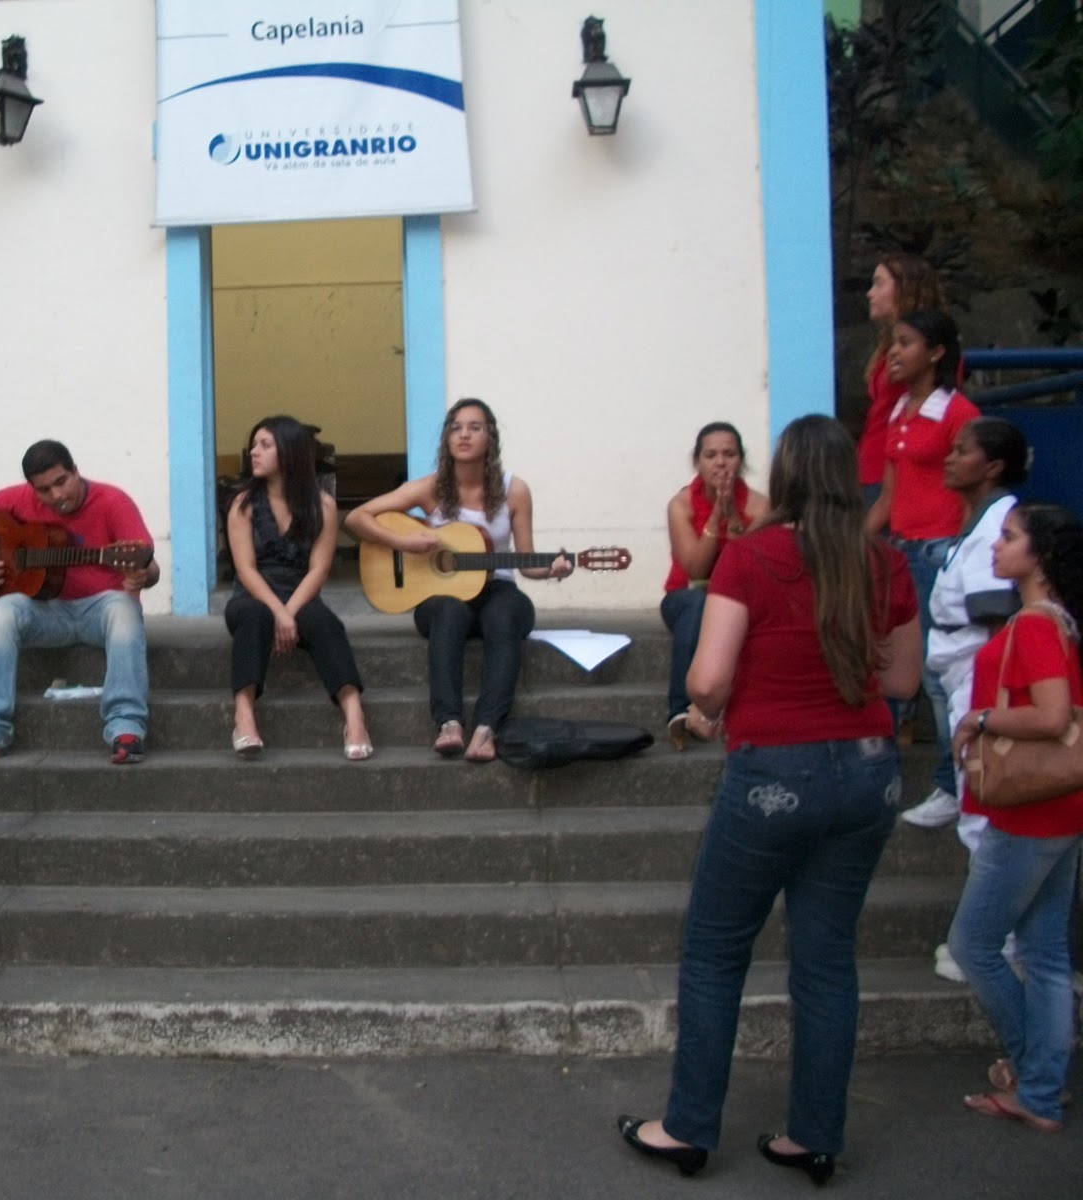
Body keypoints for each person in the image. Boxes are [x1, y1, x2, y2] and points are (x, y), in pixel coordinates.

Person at [617, 415, 921, 1182]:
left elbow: (706, 682)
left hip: (776, 774)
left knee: (716, 952)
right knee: (827, 961)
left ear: (782, 476)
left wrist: (711, 710)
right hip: (869, 771)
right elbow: (902, 680)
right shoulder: (884, 562)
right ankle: (815, 1137)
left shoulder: (751, 555)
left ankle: (688, 1127)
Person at [948, 503, 1083, 1134]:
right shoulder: (1060, 621)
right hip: (1062, 803)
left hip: (1027, 811)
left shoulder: (1033, 625)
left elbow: (1052, 715)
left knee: (972, 944)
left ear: (1041, 556)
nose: (995, 547)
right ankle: (1042, 1086)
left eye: (1009, 538)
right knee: (1046, 951)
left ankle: (1036, 1078)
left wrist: (978, 720)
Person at [346, 398, 569, 764]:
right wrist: (404, 542)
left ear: (490, 438)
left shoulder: (514, 491)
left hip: (497, 588)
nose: (464, 435)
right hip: (440, 596)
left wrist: (551, 569)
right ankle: (448, 723)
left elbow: (527, 561)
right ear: (447, 438)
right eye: (456, 428)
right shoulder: (430, 487)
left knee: (506, 616)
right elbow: (357, 518)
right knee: (450, 613)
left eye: (474, 428)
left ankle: (486, 728)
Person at [0, 440, 158, 765]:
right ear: (31, 488)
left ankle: (126, 727)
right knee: (0, 611)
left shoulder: (113, 501)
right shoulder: (20, 499)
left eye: (62, 482)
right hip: (46, 612)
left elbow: (150, 565)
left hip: (100, 610)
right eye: (44, 490)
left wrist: (143, 576)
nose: (56, 495)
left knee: (124, 609)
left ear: (75, 471)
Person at [866, 309, 980, 822]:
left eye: (906, 342)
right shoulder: (898, 412)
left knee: (940, 672)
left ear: (935, 353)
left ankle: (952, 788)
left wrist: (961, 551)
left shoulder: (959, 412)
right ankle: (881, 774)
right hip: (898, 554)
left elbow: (976, 492)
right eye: (893, 342)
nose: (893, 351)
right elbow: (888, 498)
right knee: (887, 663)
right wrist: (848, 545)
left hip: (938, 554)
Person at [903, 418, 1027, 835]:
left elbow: (996, 618)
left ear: (992, 466)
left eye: (962, 451)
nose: (949, 459)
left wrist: (991, 694)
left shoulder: (997, 524)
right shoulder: (980, 516)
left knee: (979, 800)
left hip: (977, 669)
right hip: (958, 664)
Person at [226, 415, 372, 760]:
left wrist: (289, 612)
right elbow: (246, 570)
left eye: (265, 445)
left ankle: (355, 716)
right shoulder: (243, 504)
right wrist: (278, 612)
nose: (253, 452)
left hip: (301, 594)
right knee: (254, 615)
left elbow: (319, 570)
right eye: (254, 444)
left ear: (289, 452)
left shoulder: (323, 506)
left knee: (324, 622)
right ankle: (243, 716)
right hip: (253, 594)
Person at [661, 422, 770, 749]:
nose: (720, 463)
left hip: (738, 600)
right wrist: (714, 519)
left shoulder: (759, 506)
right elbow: (695, 569)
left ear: (741, 460)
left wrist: (733, 516)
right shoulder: (680, 504)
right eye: (711, 455)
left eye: (729, 454)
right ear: (697, 462)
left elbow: (745, 567)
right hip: (686, 596)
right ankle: (681, 709)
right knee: (698, 604)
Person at [857, 254, 944, 507]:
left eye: (879, 283)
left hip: (898, 471)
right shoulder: (888, 347)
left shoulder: (932, 350)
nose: (870, 293)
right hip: (871, 467)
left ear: (904, 289)